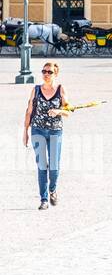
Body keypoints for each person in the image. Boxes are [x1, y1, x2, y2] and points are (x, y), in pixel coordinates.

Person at [23, 61, 74, 209]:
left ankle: (53, 189)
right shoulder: (36, 90)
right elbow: (29, 111)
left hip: (55, 131)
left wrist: (58, 111)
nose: (46, 74)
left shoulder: (60, 90)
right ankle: (44, 199)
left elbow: (69, 111)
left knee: (54, 167)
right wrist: (25, 131)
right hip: (37, 130)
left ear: (55, 74)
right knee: (41, 166)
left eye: (49, 72)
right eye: (44, 71)